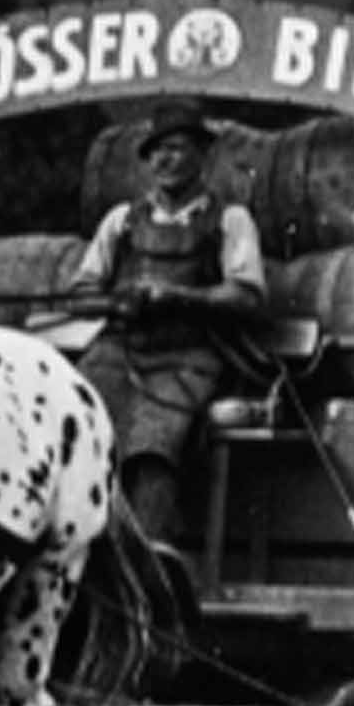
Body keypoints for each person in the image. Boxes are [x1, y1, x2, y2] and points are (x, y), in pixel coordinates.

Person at [73, 99, 266, 544]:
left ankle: (146, 562)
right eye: (155, 151)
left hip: (190, 358)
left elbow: (248, 295)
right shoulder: (121, 222)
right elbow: (81, 292)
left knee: (154, 447)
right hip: (119, 352)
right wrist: (113, 303)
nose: (164, 159)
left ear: (203, 155)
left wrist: (178, 297)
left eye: (176, 148)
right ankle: (81, 548)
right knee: (81, 427)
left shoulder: (230, 221)